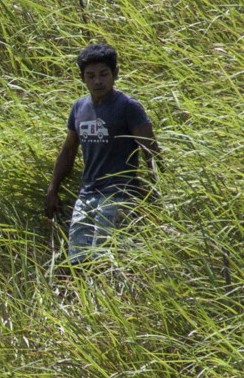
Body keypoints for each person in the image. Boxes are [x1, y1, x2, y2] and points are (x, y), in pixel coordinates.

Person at [43, 41, 159, 262]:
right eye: (91, 75)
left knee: (107, 261)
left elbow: (150, 150)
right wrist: (52, 189)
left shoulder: (128, 107)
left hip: (119, 195)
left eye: (103, 74)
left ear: (115, 73)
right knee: (78, 261)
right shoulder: (79, 108)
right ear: (82, 78)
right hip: (87, 196)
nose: (97, 81)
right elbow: (68, 151)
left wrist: (158, 192)